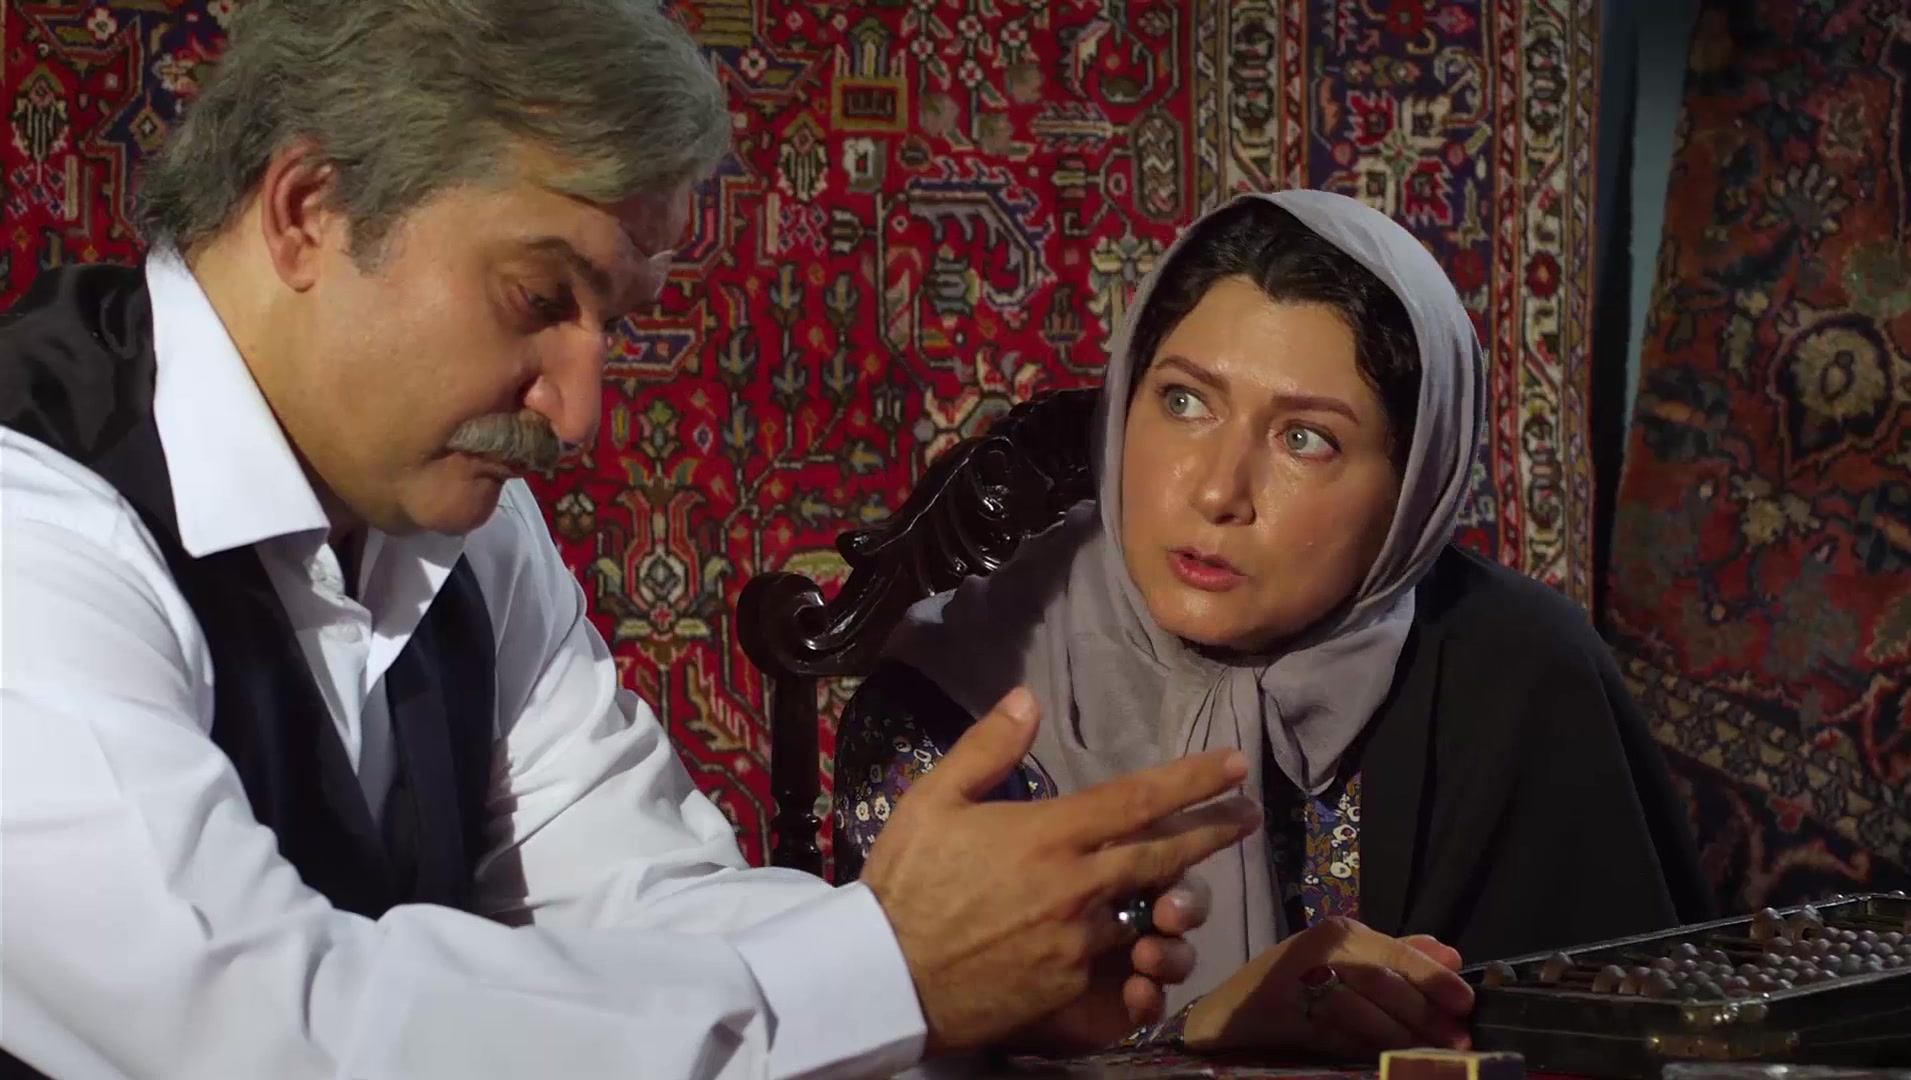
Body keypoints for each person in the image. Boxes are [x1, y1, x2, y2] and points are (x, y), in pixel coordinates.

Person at [0, 3, 1267, 1077]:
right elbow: (259, 1026)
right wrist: (889, 974)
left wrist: (974, 974)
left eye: (614, 317)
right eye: (535, 297)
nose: (577, 413)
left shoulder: (475, 531)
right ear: (307, 211)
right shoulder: (31, 522)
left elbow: (641, 899)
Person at [833, 191, 1715, 1058]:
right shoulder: (956, 703)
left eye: (1305, 440)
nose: (1219, 491)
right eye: (1185, 402)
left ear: (1414, 487)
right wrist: (1184, 1039)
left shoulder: (1518, 680)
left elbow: (1633, 1046)